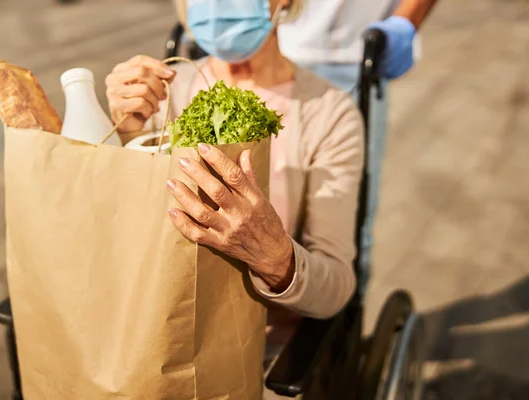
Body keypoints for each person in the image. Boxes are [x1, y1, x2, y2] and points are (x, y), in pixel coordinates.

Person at [105, 0, 364, 379]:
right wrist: (126, 133)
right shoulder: (164, 96)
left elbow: (336, 288)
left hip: (257, 348)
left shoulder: (328, 114)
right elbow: (124, 235)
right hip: (158, 334)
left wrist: (275, 256)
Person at [278, 0, 439, 294]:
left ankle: (344, 323)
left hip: (353, 60)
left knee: (345, 224)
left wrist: (404, 23)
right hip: (269, 44)